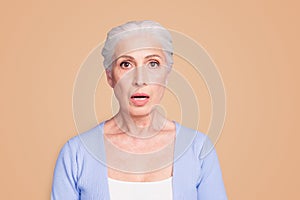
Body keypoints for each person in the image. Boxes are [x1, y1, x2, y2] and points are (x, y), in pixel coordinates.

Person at [51, 20, 227, 200]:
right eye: (126, 64)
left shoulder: (198, 149)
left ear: (167, 74)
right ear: (109, 76)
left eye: (152, 64)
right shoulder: (76, 153)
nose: (140, 80)